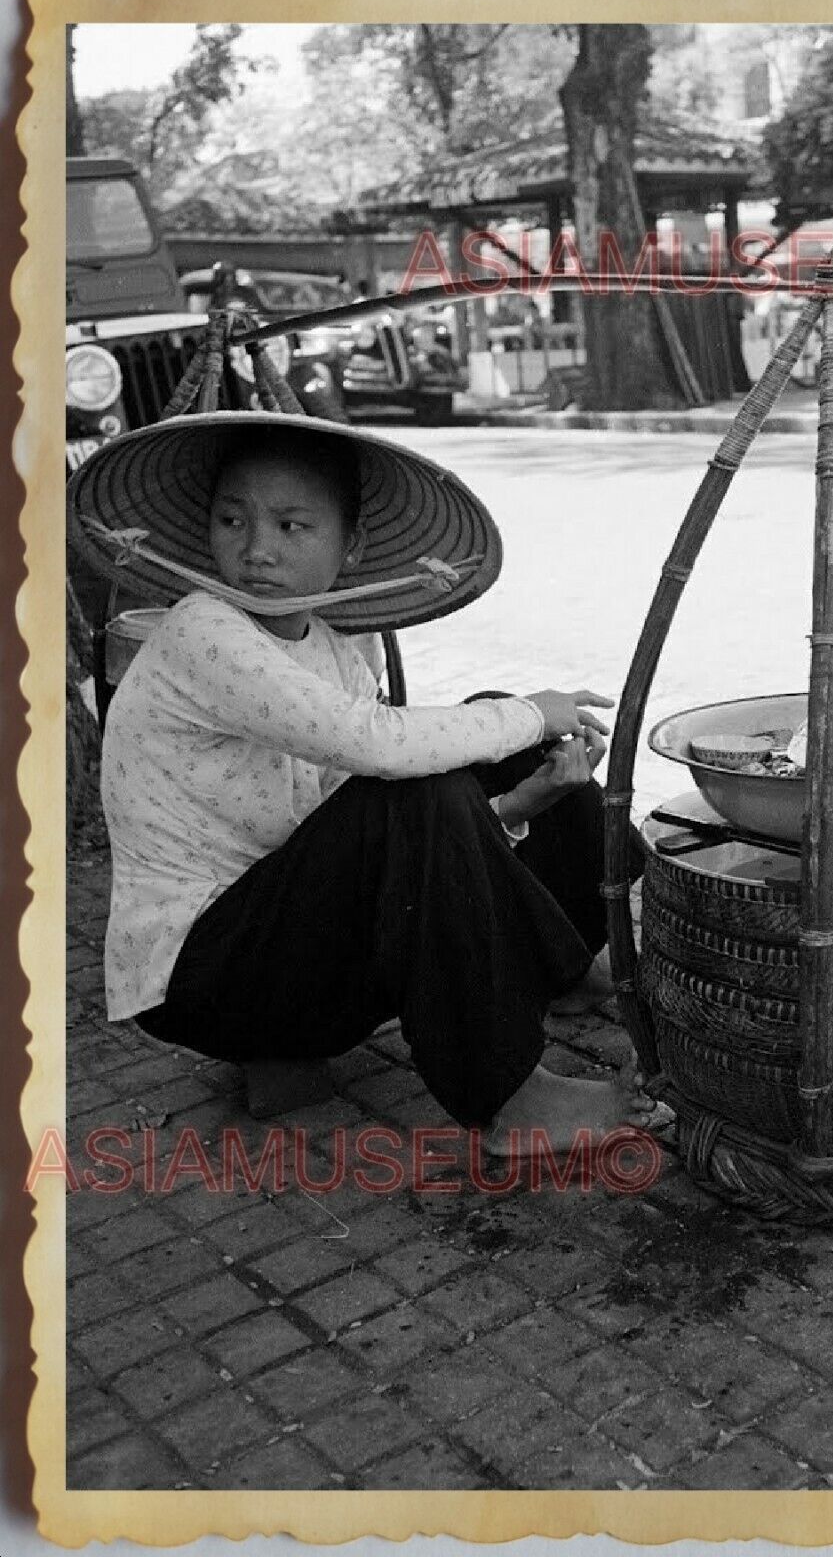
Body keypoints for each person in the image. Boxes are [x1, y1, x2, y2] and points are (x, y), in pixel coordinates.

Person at [69, 411, 653, 1151]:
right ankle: (511, 1098)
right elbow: (378, 757)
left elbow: (361, 830)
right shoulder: (199, 632)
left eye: (291, 527)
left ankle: (596, 963)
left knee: (490, 748)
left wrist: (514, 805)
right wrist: (532, 711)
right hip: (204, 976)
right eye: (232, 519)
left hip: (296, 932)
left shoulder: (340, 647)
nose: (255, 551)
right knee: (457, 752)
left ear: (352, 545)